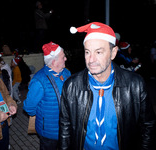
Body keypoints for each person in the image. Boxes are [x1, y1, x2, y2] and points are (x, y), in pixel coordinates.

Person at [59, 22, 156, 150]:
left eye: (98, 52)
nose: (91, 59)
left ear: (113, 53)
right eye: (87, 52)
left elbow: (148, 126)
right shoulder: (71, 86)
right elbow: (65, 129)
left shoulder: (135, 85)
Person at [23, 42, 71, 150]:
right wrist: (43, 117)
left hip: (67, 130)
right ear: (54, 61)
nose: (66, 59)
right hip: (49, 134)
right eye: (63, 57)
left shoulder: (67, 73)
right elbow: (29, 107)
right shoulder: (39, 80)